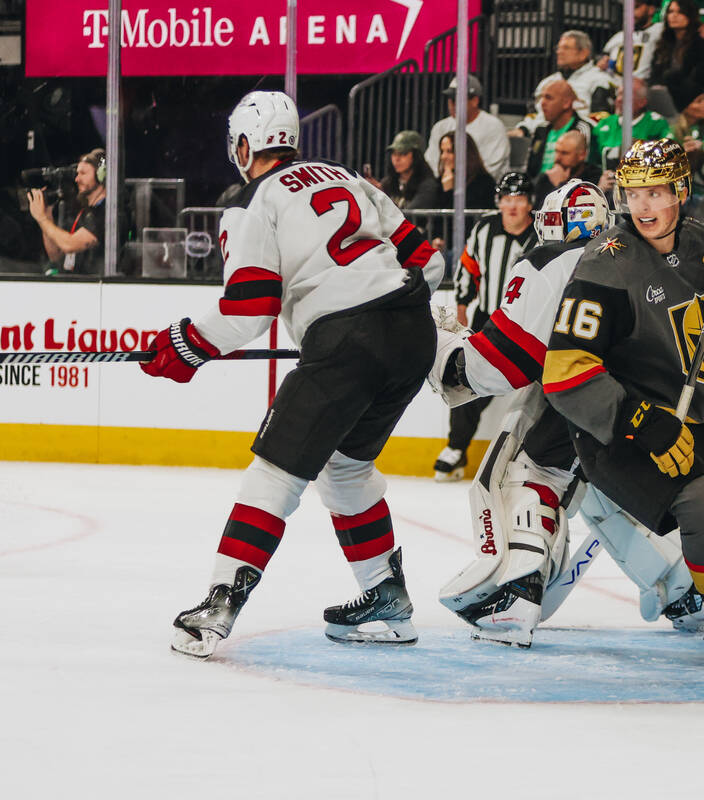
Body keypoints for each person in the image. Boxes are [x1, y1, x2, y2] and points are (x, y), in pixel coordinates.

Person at [144, 91, 444, 660]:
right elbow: (427, 260)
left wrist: (186, 345)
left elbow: (251, 306)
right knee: (346, 466)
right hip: (411, 331)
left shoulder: (251, 200)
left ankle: (217, 608)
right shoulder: (350, 177)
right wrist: (378, 312)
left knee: (275, 472)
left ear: (244, 145)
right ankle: (386, 596)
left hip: (348, 339)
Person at [541, 138, 704, 688]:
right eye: (633, 193)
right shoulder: (605, 264)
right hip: (621, 430)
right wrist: (639, 420)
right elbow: (564, 372)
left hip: (696, 422)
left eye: (656, 192)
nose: (644, 206)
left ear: (682, 190)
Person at [429, 179, 704, 646]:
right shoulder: (639, 254)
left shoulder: (549, 261)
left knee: (529, 471)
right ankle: (689, 593)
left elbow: (500, 364)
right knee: (609, 494)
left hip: (592, 397)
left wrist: (442, 355)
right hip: (659, 408)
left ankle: (517, 593)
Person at [434, 172, 537, 481]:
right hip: (487, 320)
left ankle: (528, 460)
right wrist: (462, 306)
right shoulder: (484, 229)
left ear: (530, 202)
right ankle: (455, 447)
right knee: (465, 378)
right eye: (507, 199)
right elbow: (469, 266)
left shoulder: (540, 236)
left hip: (526, 323)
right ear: (498, 202)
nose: (513, 206)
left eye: (519, 199)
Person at [26, 149, 107, 275]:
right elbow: (56, 255)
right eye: (77, 173)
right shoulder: (82, 212)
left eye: (83, 173)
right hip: (73, 283)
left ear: (100, 176)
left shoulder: (107, 212)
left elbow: (69, 244)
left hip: (95, 287)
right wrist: (46, 216)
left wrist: (41, 218)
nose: (77, 179)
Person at [520, 31, 616, 134]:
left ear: (583, 53)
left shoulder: (600, 81)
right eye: (558, 48)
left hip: (578, 139)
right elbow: (533, 114)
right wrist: (523, 129)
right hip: (542, 137)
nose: (559, 52)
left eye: (566, 48)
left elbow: (602, 120)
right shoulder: (547, 82)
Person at [425, 75, 510, 182]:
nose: (452, 104)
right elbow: (431, 163)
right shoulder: (440, 127)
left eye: (457, 100)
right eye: (450, 99)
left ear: (474, 101)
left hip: (482, 190)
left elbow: (490, 170)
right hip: (444, 186)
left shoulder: (493, 127)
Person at [649, 0, 704, 97]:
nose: (674, 16)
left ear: (690, 15)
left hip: (697, 95)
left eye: (680, 12)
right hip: (665, 95)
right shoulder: (664, 43)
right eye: (670, 12)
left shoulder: (703, 42)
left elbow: (703, 77)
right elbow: (655, 74)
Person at [589, 77, 672, 171]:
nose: (619, 99)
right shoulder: (604, 123)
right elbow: (592, 163)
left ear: (642, 102)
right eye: (618, 94)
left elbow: (668, 159)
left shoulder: (657, 124)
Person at [524, 80, 593, 180]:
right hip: (537, 189)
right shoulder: (541, 130)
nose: (542, 103)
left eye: (548, 98)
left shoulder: (582, 129)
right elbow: (530, 169)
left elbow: (584, 170)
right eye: (541, 98)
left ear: (566, 103)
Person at [532, 130, 603, 207]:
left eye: (564, 153)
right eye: (556, 151)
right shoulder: (546, 178)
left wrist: (560, 185)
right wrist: (556, 186)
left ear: (582, 155)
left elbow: (585, 212)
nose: (557, 158)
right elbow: (538, 213)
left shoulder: (595, 178)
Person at [601, 0, 664, 79]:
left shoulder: (660, 31)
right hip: (613, 85)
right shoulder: (617, 37)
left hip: (643, 86)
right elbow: (603, 61)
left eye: (635, 7)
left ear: (651, 9)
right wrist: (601, 65)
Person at [378, 131, 439, 211]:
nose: (396, 159)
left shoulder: (428, 185)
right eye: (394, 154)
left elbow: (410, 216)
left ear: (416, 156)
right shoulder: (387, 183)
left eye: (402, 153)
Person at [435, 132, 498, 210]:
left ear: (465, 153)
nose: (443, 157)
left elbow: (466, 219)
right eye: (442, 151)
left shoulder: (484, 182)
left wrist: (449, 191)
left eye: (449, 151)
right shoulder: (441, 181)